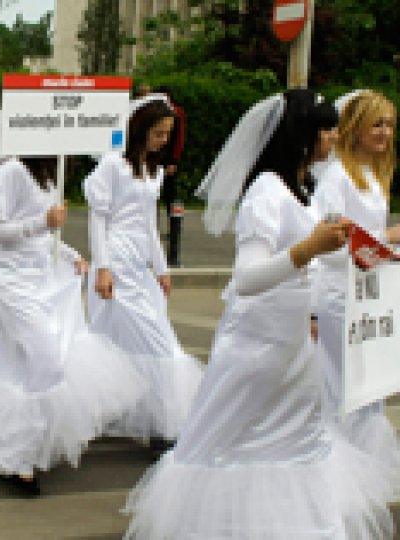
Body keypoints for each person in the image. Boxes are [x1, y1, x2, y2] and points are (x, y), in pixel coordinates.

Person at [123, 89, 395, 539]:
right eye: (324, 130)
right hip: (258, 344)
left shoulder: (299, 190)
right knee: (233, 439)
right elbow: (247, 277)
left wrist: (352, 245)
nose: (331, 139)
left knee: (300, 440)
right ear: (302, 136)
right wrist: (310, 248)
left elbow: (320, 257)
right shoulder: (265, 193)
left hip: (290, 344)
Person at [0, 113, 147, 495]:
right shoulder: (11, 172)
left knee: (22, 369)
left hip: (42, 280)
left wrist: (71, 253)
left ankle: (7, 445)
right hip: (12, 285)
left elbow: (45, 238)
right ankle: (21, 456)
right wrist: (42, 222)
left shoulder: (50, 175)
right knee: (47, 362)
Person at [83, 95, 202, 451]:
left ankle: (141, 416)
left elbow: (151, 223)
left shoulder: (152, 170)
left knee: (126, 339)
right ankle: (163, 425)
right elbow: (97, 218)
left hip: (139, 266)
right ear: (140, 129)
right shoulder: (112, 165)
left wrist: (161, 267)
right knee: (155, 343)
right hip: (115, 263)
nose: (163, 141)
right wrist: (102, 267)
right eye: (158, 134)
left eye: (167, 134)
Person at [312, 89, 400, 494]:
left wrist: (388, 250)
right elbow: (327, 242)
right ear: (356, 127)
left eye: (389, 125)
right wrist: (387, 239)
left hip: (369, 293)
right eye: (377, 124)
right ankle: (335, 478)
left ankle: (365, 473)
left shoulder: (376, 175)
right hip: (336, 295)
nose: (385, 133)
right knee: (343, 386)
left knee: (370, 385)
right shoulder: (336, 177)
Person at [154, 86, 186, 267]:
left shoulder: (176, 113)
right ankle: (160, 251)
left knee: (173, 206)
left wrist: (173, 161)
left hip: (167, 164)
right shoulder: (158, 112)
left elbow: (178, 139)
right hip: (157, 163)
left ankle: (173, 254)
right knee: (155, 206)